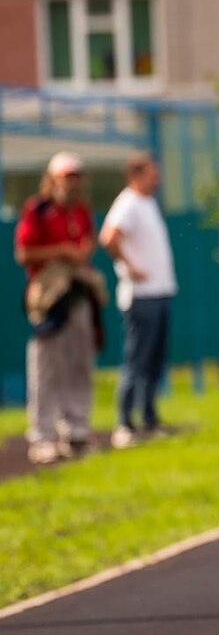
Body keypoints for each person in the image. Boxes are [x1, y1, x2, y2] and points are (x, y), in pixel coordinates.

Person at [15, 152, 104, 465]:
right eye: (67, 177)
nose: (73, 183)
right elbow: (23, 253)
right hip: (51, 298)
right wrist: (62, 251)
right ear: (53, 179)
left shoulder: (81, 210)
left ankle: (77, 432)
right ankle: (42, 435)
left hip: (78, 293)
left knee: (80, 363)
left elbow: (88, 242)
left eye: (76, 177)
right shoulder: (38, 209)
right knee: (46, 368)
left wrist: (81, 251)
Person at [100, 152, 179, 449]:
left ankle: (149, 418)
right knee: (137, 360)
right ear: (135, 175)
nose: (156, 178)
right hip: (141, 296)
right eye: (150, 173)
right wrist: (130, 267)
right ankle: (124, 423)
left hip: (160, 292)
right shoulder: (128, 203)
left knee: (155, 360)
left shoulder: (147, 203)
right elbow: (109, 237)